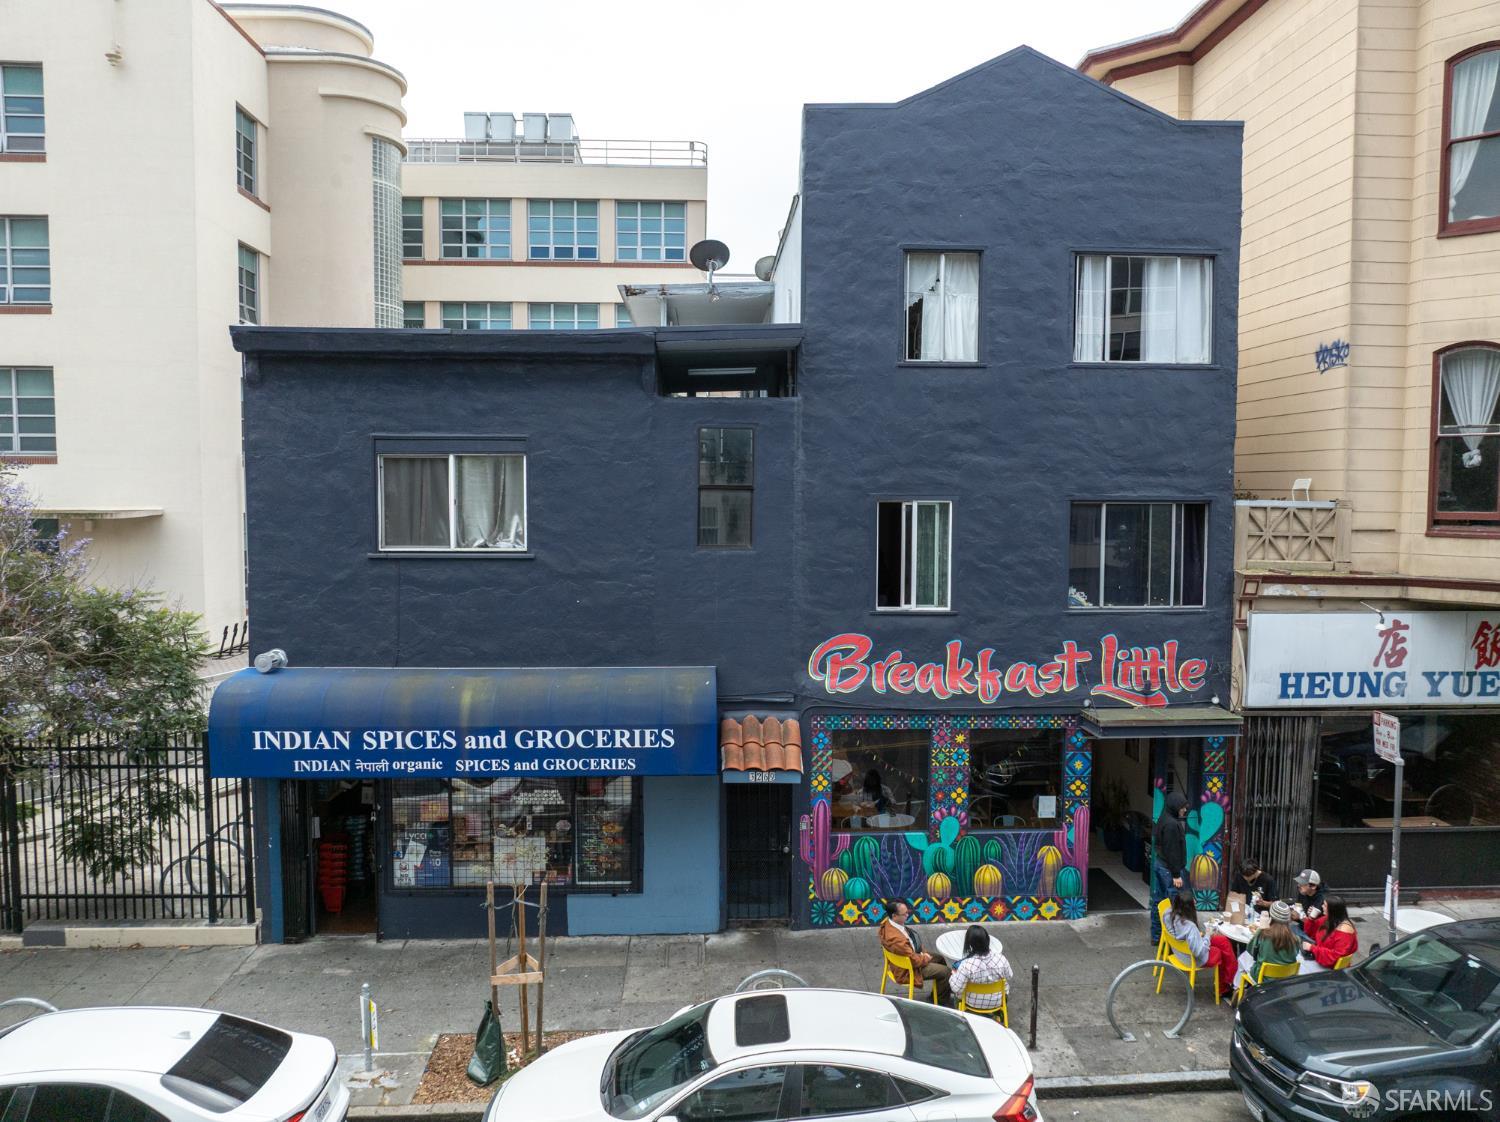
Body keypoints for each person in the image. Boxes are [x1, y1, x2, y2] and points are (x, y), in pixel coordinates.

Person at [1163, 889, 1237, 1000]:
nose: (1196, 902)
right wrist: (1208, 934)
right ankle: (1224, 987)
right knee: (1220, 952)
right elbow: (1199, 952)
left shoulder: (1167, 913)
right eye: (1193, 901)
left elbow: (1187, 937)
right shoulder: (1190, 927)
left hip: (1180, 950)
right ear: (1188, 907)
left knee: (1223, 941)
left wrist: (1203, 936)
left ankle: (1231, 979)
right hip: (1192, 958)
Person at [879, 900, 951, 1003]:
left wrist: (923, 953)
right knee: (946, 972)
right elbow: (913, 960)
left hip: (910, 958)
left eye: (907, 912)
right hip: (908, 970)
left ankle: (941, 991)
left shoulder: (888, 924)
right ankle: (940, 1001)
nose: (907, 915)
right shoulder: (897, 940)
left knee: (940, 959)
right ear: (894, 916)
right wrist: (925, 957)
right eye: (904, 914)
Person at [1150, 791, 1189, 947]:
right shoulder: (1172, 825)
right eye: (1182, 807)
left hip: (1161, 865)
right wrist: (1176, 874)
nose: (1184, 810)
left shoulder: (1164, 817)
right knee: (1176, 905)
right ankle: (1175, 941)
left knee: (1158, 903)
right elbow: (1172, 850)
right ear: (1175, 807)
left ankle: (1157, 936)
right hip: (1169, 869)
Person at [1235, 900, 1301, 990]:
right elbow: (1294, 955)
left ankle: (1237, 989)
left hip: (1262, 978)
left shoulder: (1263, 933)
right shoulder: (1296, 939)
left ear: (1271, 916)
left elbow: (1250, 951)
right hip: (1285, 979)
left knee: (1242, 958)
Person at [949, 925, 1012, 1014]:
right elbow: (1009, 975)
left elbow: (956, 988)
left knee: (957, 995)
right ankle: (999, 1015)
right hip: (998, 1001)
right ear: (987, 940)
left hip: (972, 1003)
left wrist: (954, 974)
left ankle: (962, 1016)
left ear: (970, 945)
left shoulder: (966, 965)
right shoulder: (1001, 959)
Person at [1302, 894, 1358, 971]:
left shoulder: (1344, 931)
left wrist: (1312, 948)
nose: (1322, 907)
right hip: (1321, 959)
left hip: (1332, 968)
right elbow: (1310, 932)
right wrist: (1311, 918)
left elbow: (1335, 957)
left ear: (1332, 910)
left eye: (1325, 905)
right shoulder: (1328, 919)